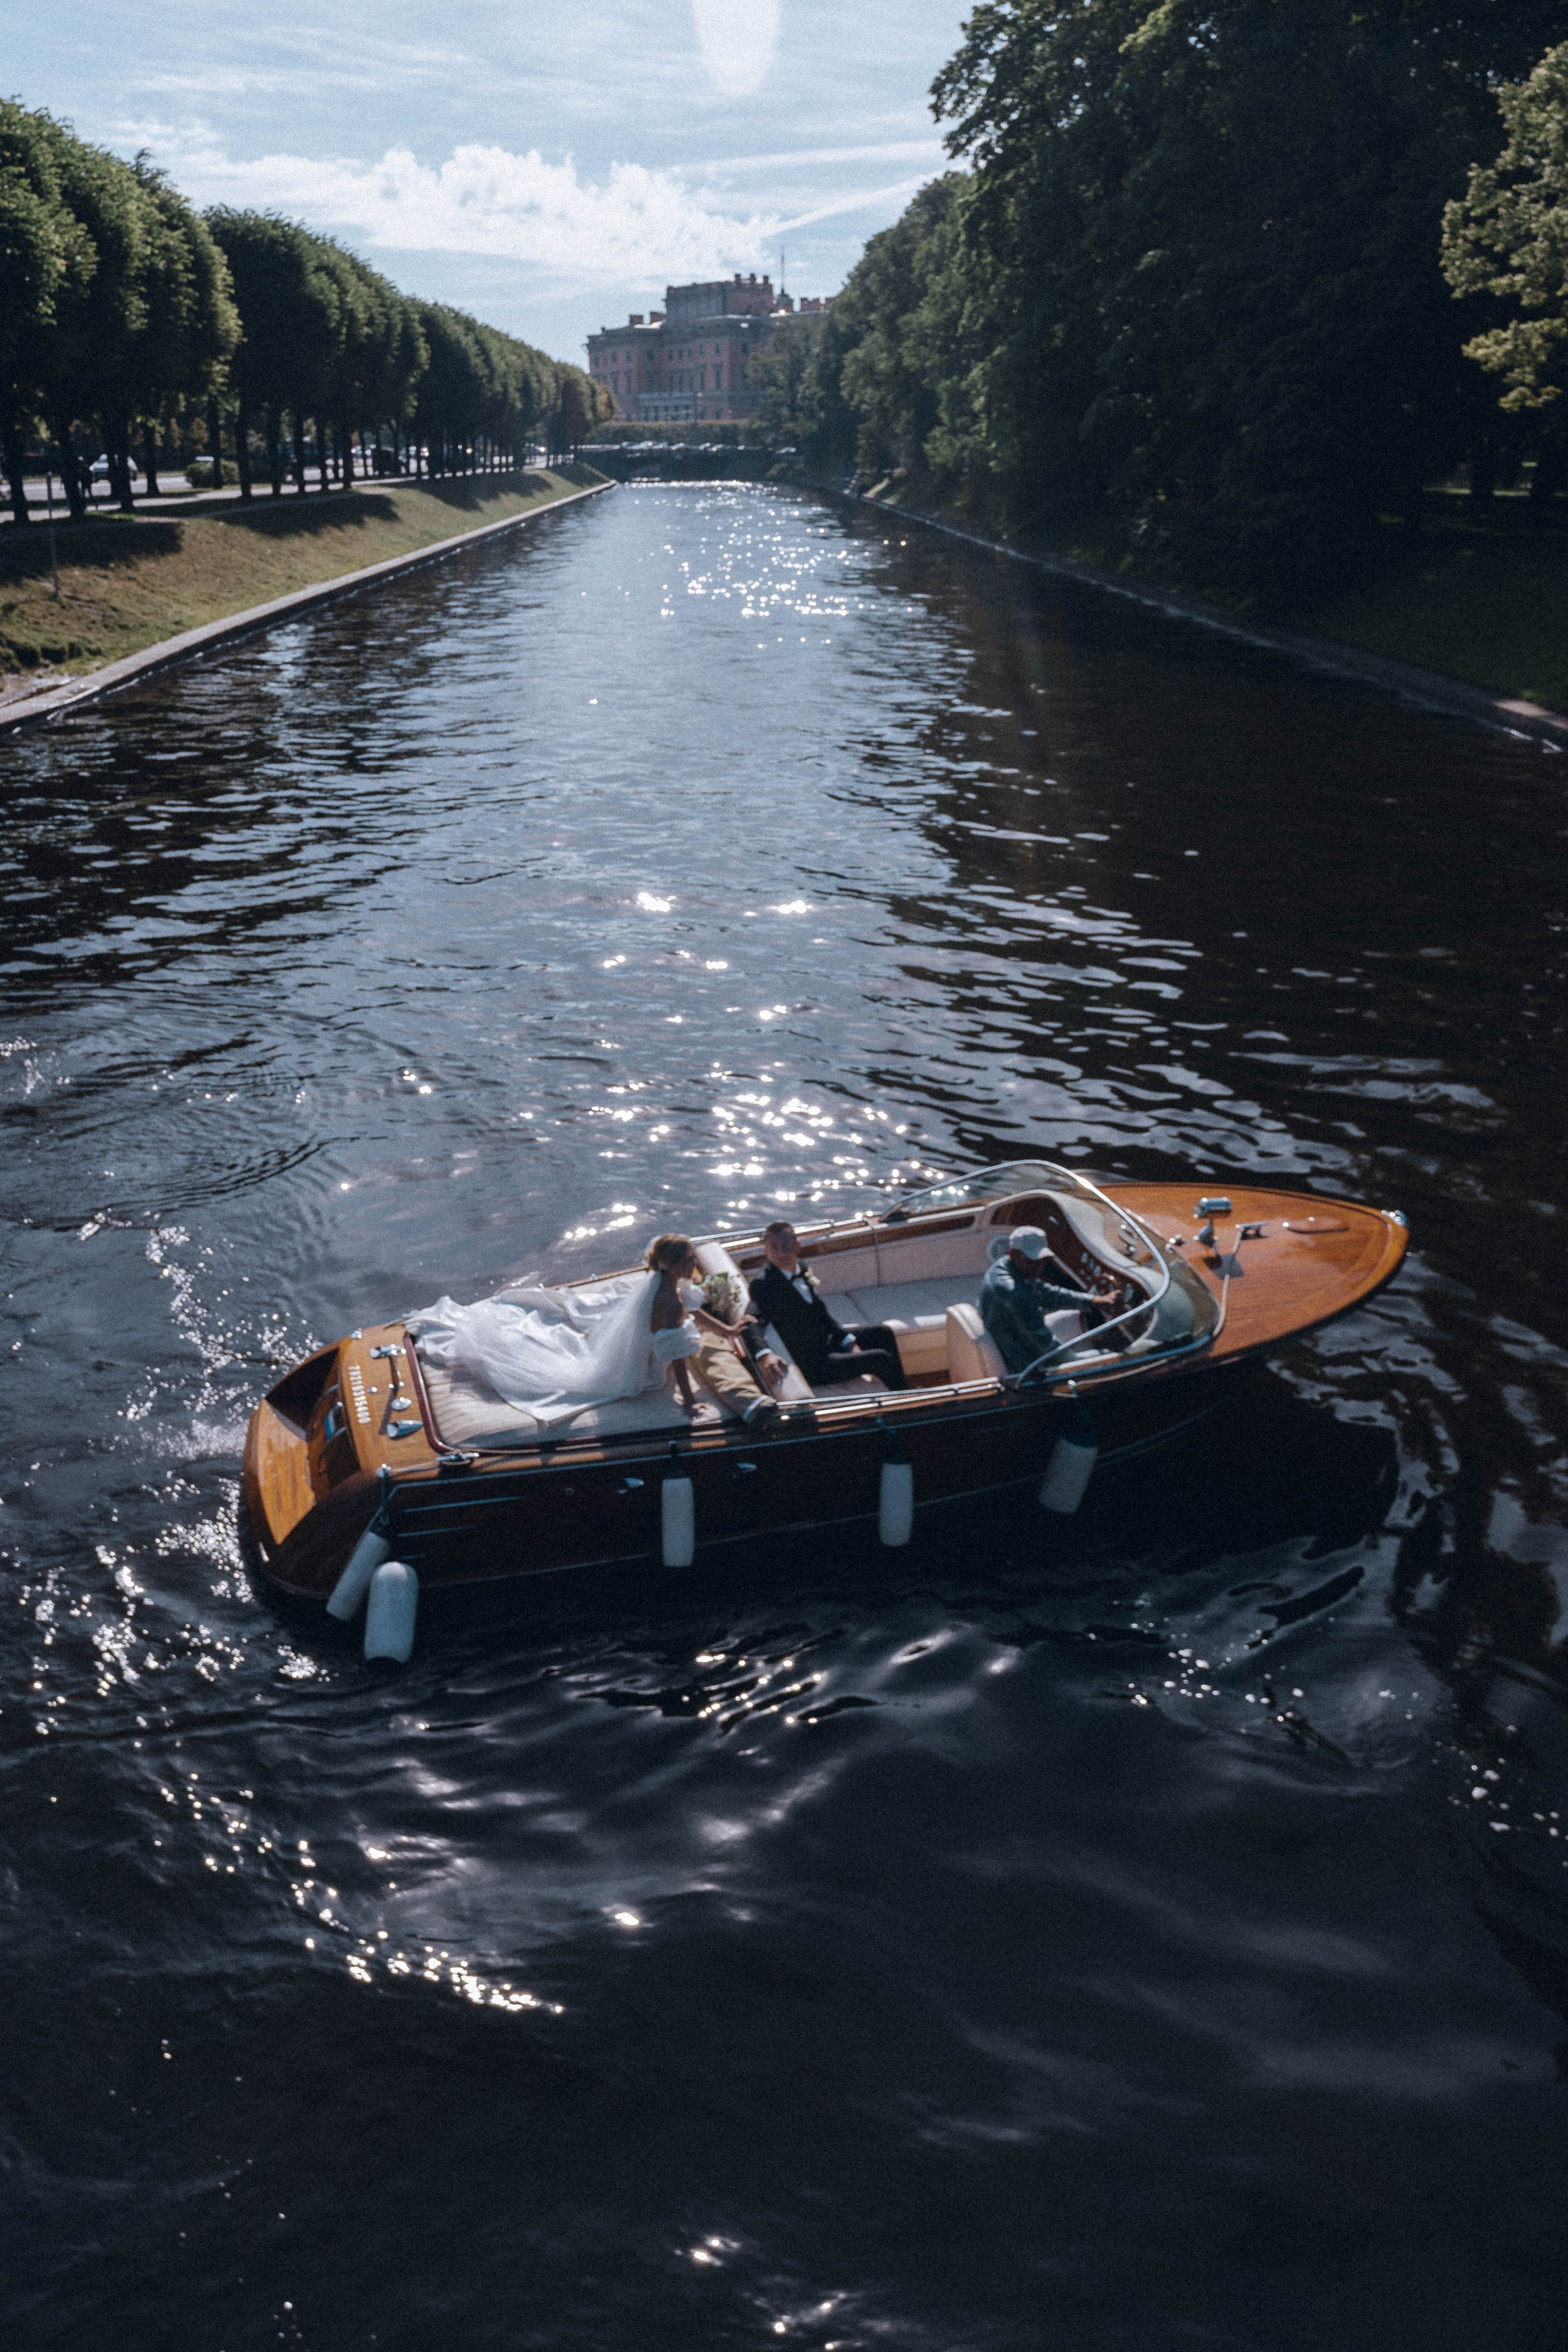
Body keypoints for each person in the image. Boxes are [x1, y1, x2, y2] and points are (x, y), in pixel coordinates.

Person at [748, 1219, 908, 1391]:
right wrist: (765, 1355)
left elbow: (820, 1312)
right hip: (814, 1364)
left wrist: (848, 1341)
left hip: (826, 1342)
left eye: (786, 1245)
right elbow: (750, 1321)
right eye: (774, 1247)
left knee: (883, 1333)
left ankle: (902, 1391)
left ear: (798, 1245)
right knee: (880, 1359)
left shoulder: (800, 1267)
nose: (781, 1252)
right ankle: (905, 1401)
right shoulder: (763, 1283)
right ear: (766, 1251)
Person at [647, 1234, 785, 1428]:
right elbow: (677, 1358)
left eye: (693, 1256)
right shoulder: (670, 1303)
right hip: (659, 1352)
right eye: (689, 1261)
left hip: (673, 1333)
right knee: (703, 1346)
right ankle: (749, 1404)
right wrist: (689, 1401)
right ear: (671, 1266)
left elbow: (694, 1311)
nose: (695, 1263)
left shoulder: (670, 1282)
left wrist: (729, 1330)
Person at [978, 1225, 1122, 1376]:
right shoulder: (1014, 1293)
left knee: (1079, 1317)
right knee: (1107, 1358)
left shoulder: (1005, 1268)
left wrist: (1094, 1300)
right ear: (1013, 1254)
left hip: (1013, 1336)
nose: (1039, 1268)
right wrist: (1080, 1365)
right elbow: (1045, 1347)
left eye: (1042, 1261)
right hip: (1024, 1365)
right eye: (1032, 1261)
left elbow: (1048, 1294)